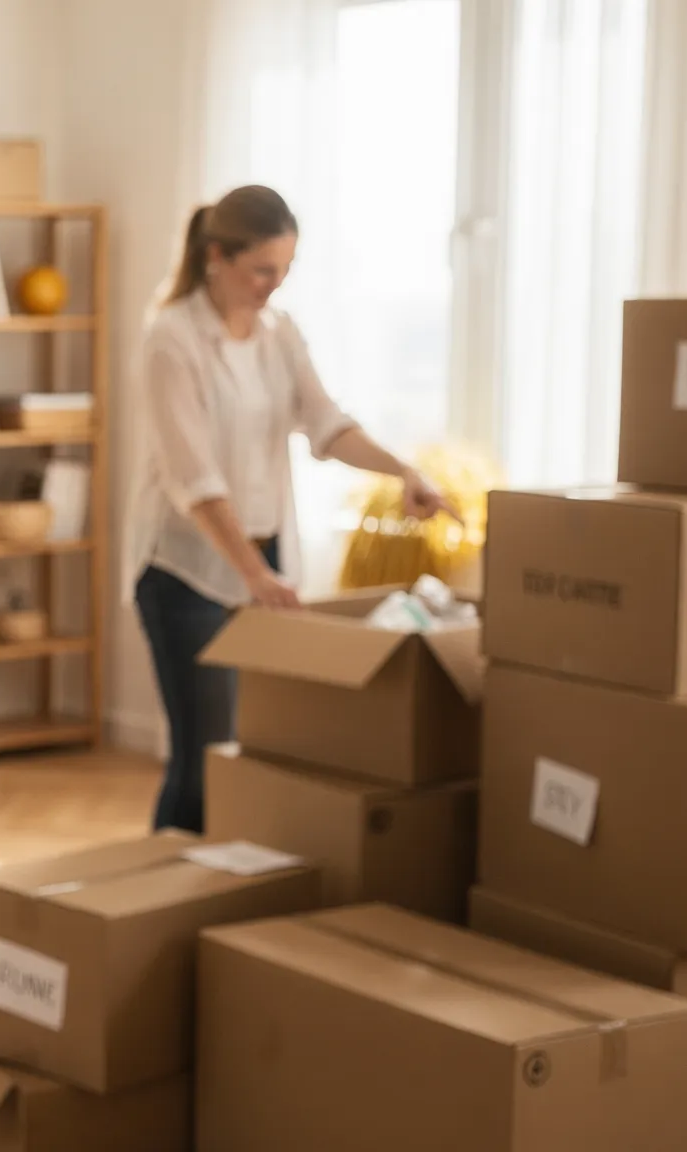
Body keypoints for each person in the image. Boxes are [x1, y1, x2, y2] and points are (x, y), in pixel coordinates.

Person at [126, 185, 455, 834]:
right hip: (186, 572)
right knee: (203, 756)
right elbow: (197, 480)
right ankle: (154, 902)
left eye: (285, 270)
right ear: (217, 256)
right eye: (262, 270)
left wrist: (402, 471)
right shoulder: (171, 340)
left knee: (252, 747)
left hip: (264, 558)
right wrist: (251, 573)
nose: (273, 286)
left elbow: (326, 425)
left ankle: (225, 892)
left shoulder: (279, 334)